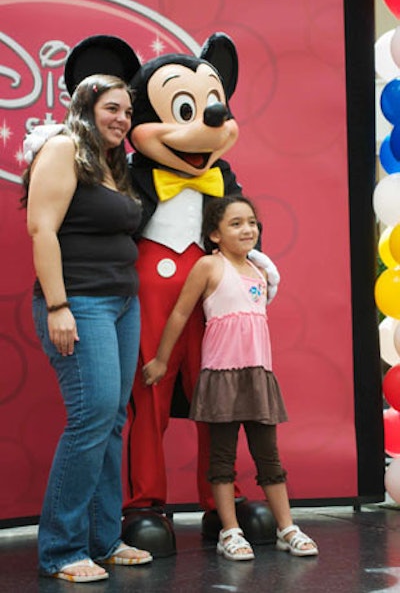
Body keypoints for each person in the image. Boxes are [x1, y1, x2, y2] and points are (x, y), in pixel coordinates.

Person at [21, 73, 153, 582]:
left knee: (113, 420)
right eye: (112, 109)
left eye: (127, 111)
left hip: (122, 303)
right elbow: (42, 229)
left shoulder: (110, 162)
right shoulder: (62, 148)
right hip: (80, 302)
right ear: (85, 106)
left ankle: (104, 538)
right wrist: (58, 306)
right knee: (91, 418)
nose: (122, 119)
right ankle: (61, 550)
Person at [143, 195, 319, 561]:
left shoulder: (260, 271)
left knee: (269, 458)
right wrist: (161, 359)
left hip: (258, 376)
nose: (248, 229)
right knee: (221, 459)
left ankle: (287, 528)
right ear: (215, 234)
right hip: (221, 376)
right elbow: (179, 314)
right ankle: (230, 531)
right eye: (236, 223)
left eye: (252, 222)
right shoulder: (209, 266)